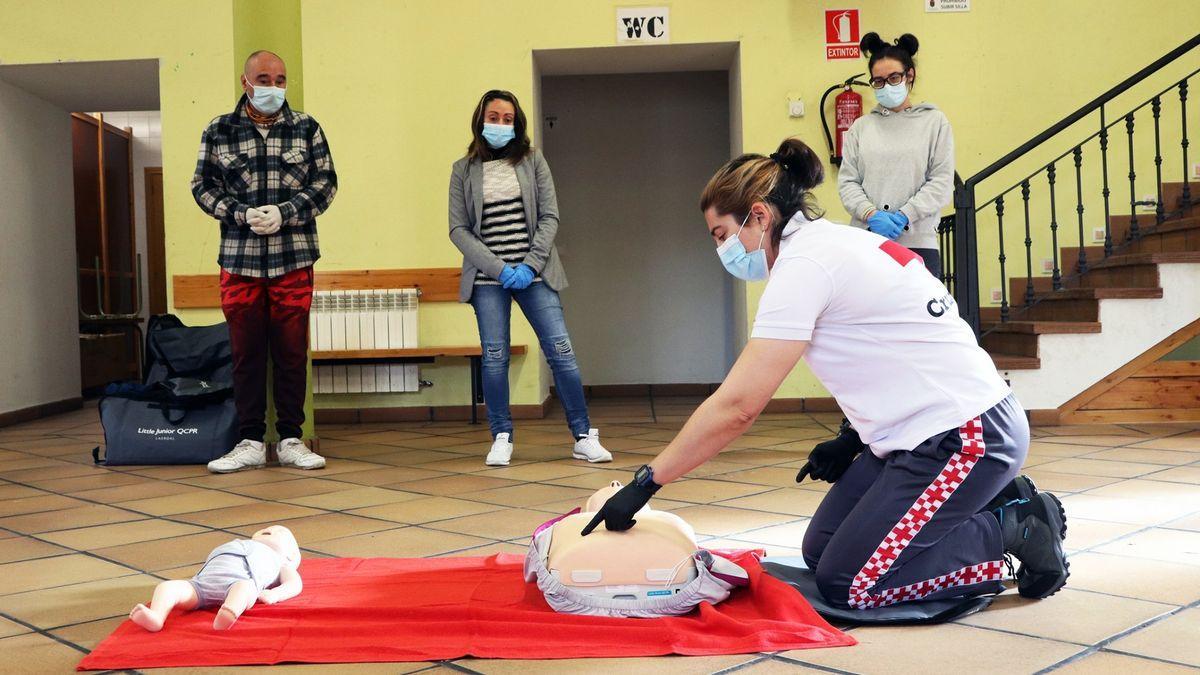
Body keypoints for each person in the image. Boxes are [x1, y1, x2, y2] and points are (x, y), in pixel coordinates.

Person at [582, 138, 1069, 610]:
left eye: (722, 234)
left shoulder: (805, 266)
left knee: (852, 583)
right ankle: (984, 504)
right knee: (822, 549)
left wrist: (647, 482)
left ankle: (1015, 525)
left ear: (759, 215)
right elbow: (889, 351)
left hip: (965, 435)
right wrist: (850, 437)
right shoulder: (833, 244)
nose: (723, 249)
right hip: (916, 434)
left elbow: (738, 406)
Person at [191, 50, 337, 473]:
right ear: (246, 82)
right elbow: (202, 186)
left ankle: (291, 439)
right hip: (239, 262)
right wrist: (240, 213)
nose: (273, 86)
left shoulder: (307, 128)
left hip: (294, 259)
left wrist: (285, 212)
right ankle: (250, 441)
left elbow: (326, 183)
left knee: (292, 353)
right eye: (264, 79)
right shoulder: (219, 130)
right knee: (245, 354)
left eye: (280, 79)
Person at [448, 89, 611, 467]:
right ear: (480, 120)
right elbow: (458, 229)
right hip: (488, 280)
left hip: (535, 275)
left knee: (561, 352)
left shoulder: (533, 161)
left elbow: (550, 216)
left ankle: (583, 435)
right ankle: (501, 436)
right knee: (494, 357)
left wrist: (529, 266)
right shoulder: (463, 169)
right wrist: (500, 269)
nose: (500, 124)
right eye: (494, 117)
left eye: (507, 119)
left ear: (517, 124)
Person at [838, 32, 953, 279]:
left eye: (893, 78)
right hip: (867, 240)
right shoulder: (861, 128)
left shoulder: (934, 122)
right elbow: (848, 182)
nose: (886, 86)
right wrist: (871, 214)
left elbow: (941, 182)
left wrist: (905, 215)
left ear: (909, 75)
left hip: (918, 242)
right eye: (878, 81)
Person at [128, 525, 302, 631]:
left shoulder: (281, 563)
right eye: (268, 528)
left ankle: (229, 611)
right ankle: (156, 616)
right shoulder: (244, 543)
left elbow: (295, 584)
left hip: (238, 583)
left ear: (290, 555)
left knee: (244, 588)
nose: (271, 529)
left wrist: (275, 594)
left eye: (280, 532)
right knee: (168, 587)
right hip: (200, 585)